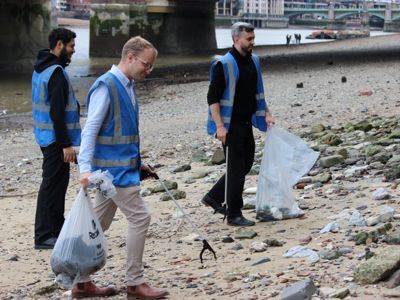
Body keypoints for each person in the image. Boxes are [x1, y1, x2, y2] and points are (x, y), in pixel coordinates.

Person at [76, 36, 168, 299]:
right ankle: (134, 282)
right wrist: (84, 169)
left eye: (150, 66)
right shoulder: (107, 86)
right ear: (130, 57)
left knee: (97, 224)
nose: (148, 70)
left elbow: (122, 132)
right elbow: (91, 130)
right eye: (146, 64)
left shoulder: (127, 86)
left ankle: (81, 282)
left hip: (118, 172)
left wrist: (139, 163)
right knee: (140, 218)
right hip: (112, 174)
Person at [202, 22, 274, 227]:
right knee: (236, 169)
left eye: (253, 38)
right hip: (230, 125)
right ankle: (234, 213)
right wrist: (219, 127)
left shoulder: (254, 61)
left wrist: (266, 112)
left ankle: (214, 196)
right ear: (236, 40)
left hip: (246, 121)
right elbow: (212, 99)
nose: (253, 42)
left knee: (246, 164)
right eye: (249, 39)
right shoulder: (223, 64)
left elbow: (257, 93)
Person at [32, 28, 81, 250]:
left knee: (57, 185)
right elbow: (57, 113)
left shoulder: (41, 68)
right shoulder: (56, 73)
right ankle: (44, 236)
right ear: (59, 45)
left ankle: (57, 230)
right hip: (55, 140)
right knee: (52, 186)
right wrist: (66, 145)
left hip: (45, 137)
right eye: (71, 46)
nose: (73, 50)